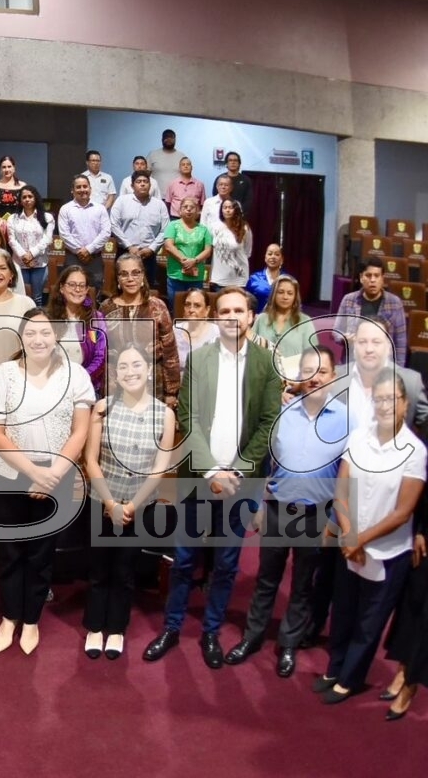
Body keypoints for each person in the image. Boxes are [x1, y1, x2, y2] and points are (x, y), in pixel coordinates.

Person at [143, 287, 283, 669]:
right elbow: (188, 419)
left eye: (239, 310)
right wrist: (211, 470)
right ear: (215, 316)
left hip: (242, 481)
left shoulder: (266, 364)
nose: (232, 316)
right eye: (225, 310)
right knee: (185, 559)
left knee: (225, 563)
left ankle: (210, 631)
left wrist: (233, 471)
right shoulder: (199, 359)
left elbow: (270, 422)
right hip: (199, 476)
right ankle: (171, 627)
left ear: (251, 317)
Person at [224, 346, 347, 677]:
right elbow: (264, 463)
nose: (314, 378)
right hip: (278, 508)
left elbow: (348, 478)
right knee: (267, 579)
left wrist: (335, 522)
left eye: (321, 371)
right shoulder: (281, 413)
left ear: (333, 377)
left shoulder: (347, 421)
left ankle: (289, 644)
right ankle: (252, 637)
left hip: (318, 515)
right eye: (308, 371)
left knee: (303, 584)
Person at [0, 307, 95, 655]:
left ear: (56, 335)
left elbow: (80, 431)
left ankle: (31, 620)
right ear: (21, 337)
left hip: (56, 473)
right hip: (10, 474)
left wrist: (54, 473)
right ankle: (10, 616)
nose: (38, 339)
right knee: (12, 550)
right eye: (31, 333)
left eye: (45, 332)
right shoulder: (4, 374)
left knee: (41, 552)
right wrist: (34, 473)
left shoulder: (75, 376)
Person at [317, 370, 426, 703]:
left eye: (391, 399)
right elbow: (342, 490)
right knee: (344, 611)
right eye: (378, 399)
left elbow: (402, 512)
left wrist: (359, 540)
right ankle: (334, 668)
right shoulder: (359, 436)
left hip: (386, 551)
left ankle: (349, 679)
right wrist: (349, 534)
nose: (384, 405)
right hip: (351, 542)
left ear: (405, 403)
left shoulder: (415, 451)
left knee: (369, 621)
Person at [84, 344, 176, 659]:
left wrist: (131, 506)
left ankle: (117, 629)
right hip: (102, 501)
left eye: (137, 365)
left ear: (149, 371)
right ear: (115, 373)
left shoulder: (164, 414)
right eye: (123, 366)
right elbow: (91, 461)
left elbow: (159, 468)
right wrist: (110, 504)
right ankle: (95, 626)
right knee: (98, 570)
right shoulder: (102, 408)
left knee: (124, 570)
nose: (130, 372)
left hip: (138, 505)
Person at [99, 253, 181, 407]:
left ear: (143, 275)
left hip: (151, 382)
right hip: (116, 382)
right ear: (117, 279)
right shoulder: (106, 307)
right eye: (124, 274)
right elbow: (101, 350)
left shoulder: (157, 307)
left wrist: (171, 392)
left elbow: (170, 352)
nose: (130, 279)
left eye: (136, 273)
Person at [383, 488, 428, 720]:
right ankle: (403, 668)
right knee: (412, 605)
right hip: (424, 539)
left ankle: (411, 684)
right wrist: (420, 531)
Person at [333, 256, 409, 367]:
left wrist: (398, 371)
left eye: (377, 276)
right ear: (361, 277)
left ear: (382, 278)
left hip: (383, 366)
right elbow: (336, 330)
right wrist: (344, 338)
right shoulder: (348, 300)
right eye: (368, 275)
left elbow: (400, 342)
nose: (372, 280)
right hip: (353, 362)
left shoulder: (395, 303)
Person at [45, 265, 108, 393]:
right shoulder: (48, 318)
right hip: (52, 384)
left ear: (86, 290)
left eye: (82, 285)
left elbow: (101, 356)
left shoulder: (96, 319)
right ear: (62, 288)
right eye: (72, 285)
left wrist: (80, 379)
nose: (77, 289)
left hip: (85, 384)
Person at [110, 170, 170, 290]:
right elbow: (114, 225)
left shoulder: (159, 205)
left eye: (145, 182)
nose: (142, 184)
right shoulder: (122, 201)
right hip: (125, 253)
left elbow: (165, 230)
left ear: (150, 185)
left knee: (147, 290)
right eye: (139, 182)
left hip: (148, 256)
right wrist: (129, 246)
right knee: (123, 289)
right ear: (132, 186)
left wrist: (151, 248)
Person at [252, 275, 316, 379]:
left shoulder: (305, 321)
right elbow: (251, 350)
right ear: (273, 294)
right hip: (263, 378)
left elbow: (312, 356)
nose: (285, 297)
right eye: (280, 292)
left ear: (295, 297)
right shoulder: (261, 319)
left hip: (295, 380)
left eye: (290, 293)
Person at [57, 175, 112, 295]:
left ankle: (93, 314)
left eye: (85, 186)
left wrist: (89, 250)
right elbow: (64, 234)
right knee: (72, 291)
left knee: (94, 292)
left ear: (90, 189)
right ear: (72, 190)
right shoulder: (65, 209)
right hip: (73, 258)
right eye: (78, 187)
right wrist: (80, 251)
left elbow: (106, 232)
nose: (82, 189)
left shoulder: (100, 209)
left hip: (95, 259)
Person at [161, 197, 213, 312]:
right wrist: (184, 260)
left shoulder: (204, 229)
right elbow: (169, 246)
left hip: (196, 277)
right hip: (176, 275)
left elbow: (208, 250)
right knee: (177, 309)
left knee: (195, 310)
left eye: (192, 207)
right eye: (185, 207)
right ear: (180, 211)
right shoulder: (173, 225)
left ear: (198, 211)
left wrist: (194, 260)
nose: (188, 210)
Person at [6, 185, 54, 306]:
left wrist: (31, 254)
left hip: (39, 263)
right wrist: (24, 256)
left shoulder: (47, 217)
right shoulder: (13, 218)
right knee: (22, 297)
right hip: (19, 264)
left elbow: (47, 239)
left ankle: (36, 323)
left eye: (30, 196)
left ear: (35, 198)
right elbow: (12, 240)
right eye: (24, 197)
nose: (27, 199)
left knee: (37, 297)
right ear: (20, 200)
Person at [173, 287, 220, 371]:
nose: (191, 310)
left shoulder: (218, 333)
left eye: (197, 306)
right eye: (187, 305)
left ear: (207, 310)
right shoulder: (174, 331)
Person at [209, 199, 251, 290]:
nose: (227, 210)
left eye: (230, 207)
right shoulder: (214, 227)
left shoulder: (244, 228)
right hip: (219, 278)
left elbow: (247, 251)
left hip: (238, 279)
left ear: (235, 210)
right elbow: (210, 249)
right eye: (225, 208)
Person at [246, 243, 289, 311]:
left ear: (282, 260)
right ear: (265, 258)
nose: (273, 257)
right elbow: (247, 303)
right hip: (259, 320)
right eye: (270, 254)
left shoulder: (288, 280)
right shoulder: (254, 279)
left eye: (277, 254)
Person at [147, 129, 188, 198]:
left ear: (175, 139)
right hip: (156, 196)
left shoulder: (182, 156)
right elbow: (145, 175)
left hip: (176, 197)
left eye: (171, 137)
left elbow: (187, 177)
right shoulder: (152, 155)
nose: (169, 139)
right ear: (162, 139)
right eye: (166, 137)